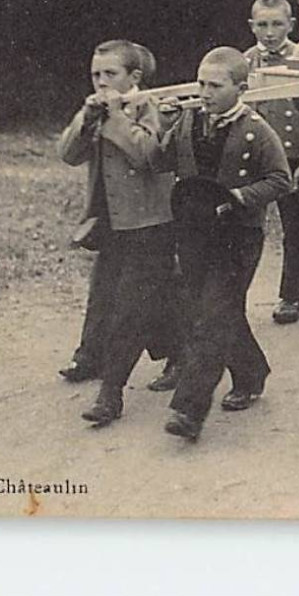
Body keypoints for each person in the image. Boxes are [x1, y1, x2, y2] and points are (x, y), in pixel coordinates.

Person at [154, 47, 292, 441]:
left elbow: (282, 180)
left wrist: (238, 197)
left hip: (238, 238)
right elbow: (158, 161)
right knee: (213, 309)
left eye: (215, 85)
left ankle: (189, 410)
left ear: (241, 88)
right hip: (196, 234)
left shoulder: (257, 129)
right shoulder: (187, 122)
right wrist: (162, 125)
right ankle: (251, 372)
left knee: (212, 317)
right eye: (201, 83)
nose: (205, 92)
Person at [56, 41, 179, 427]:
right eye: (96, 75)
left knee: (131, 307)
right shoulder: (97, 111)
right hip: (111, 223)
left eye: (111, 75)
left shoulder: (153, 107)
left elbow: (149, 156)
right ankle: (176, 352)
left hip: (150, 223)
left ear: (134, 78)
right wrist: (86, 119)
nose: (101, 82)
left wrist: (114, 118)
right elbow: (68, 153)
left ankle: (110, 394)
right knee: (108, 293)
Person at [243, 0, 299, 325]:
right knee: (244, 227)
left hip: (290, 158)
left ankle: (293, 296)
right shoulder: (244, 62)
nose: (270, 32)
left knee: (295, 229)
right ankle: (234, 295)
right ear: (252, 26)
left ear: (291, 25)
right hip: (252, 159)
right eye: (262, 25)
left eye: (277, 24)